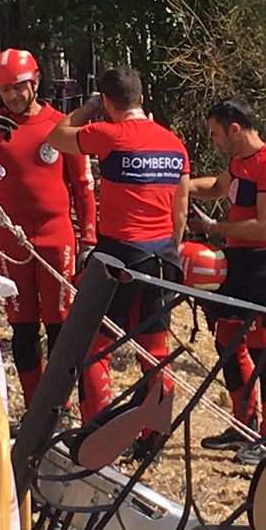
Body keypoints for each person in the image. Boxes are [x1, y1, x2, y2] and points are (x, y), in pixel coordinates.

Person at [46, 66, 189, 422]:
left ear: (109, 101)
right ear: (141, 98)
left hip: (119, 257)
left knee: (97, 346)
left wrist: (90, 107)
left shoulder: (108, 134)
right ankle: (154, 432)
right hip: (163, 259)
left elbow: (57, 137)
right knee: (155, 349)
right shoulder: (174, 144)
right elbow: (181, 214)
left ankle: (97, 427)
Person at [0, 48, 97, 409]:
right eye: (4, 90)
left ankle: (60, 405)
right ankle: (34, 404)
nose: (12, 96)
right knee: (23, 326)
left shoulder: (62, 127)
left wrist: (89, 237)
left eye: (19, 87)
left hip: (57, 238)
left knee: (60, 325)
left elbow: (83, 186)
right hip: (10, 241)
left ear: (35, 82)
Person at [187, 98, 266, 460]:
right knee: (226, 341)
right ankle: (242, 424)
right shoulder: (239, 162)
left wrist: (214, 227)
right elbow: (217, 188)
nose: (215, 141)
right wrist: (181, 184)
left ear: (235, 128)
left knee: (264, 351)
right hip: (238, 260)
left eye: (217, 134)